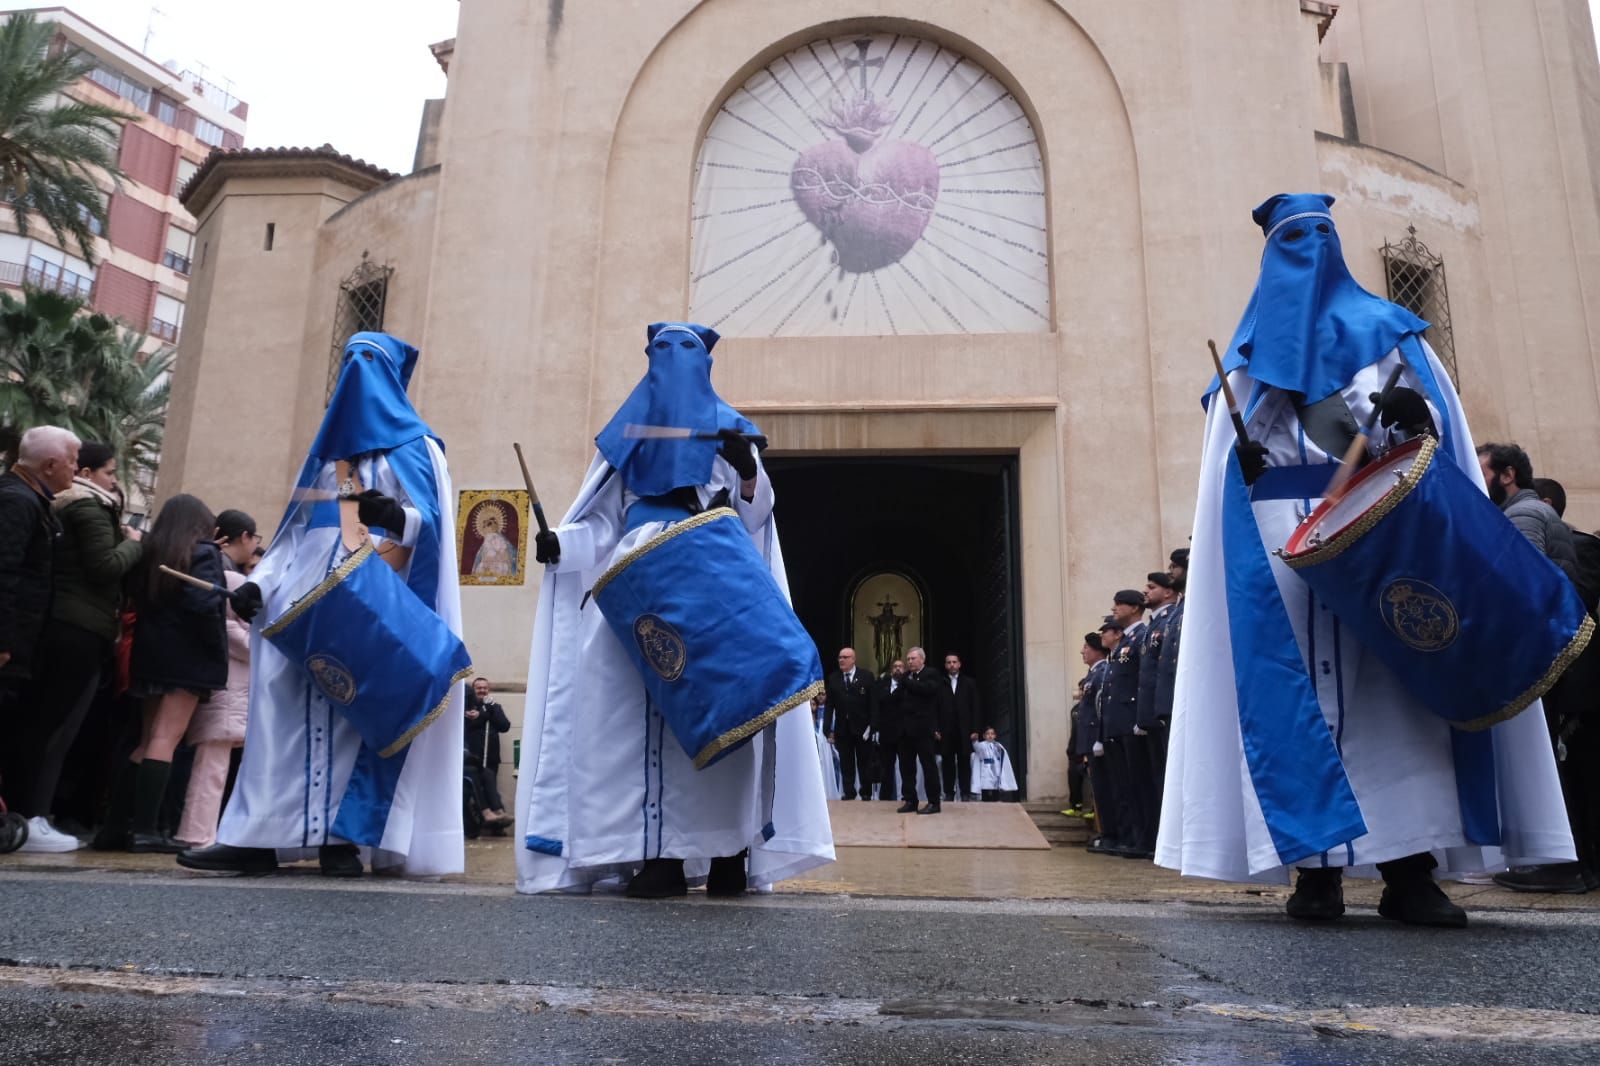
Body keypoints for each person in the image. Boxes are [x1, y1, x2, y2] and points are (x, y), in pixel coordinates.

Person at [1158, 193, 1573, 927]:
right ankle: (1315, 873)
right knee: (1302, 710)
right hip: (1288, 550)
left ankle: (1410, 871)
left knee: (1399, 703)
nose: (1307, 254)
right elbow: (1225, 466)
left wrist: (1420, 422)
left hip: (1387, 533)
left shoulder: (1395, 339)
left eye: (1319, 238)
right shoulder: (1250, 361)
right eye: (1292, 242)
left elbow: (1436, 435)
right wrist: (1249, 466)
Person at [514, 322, 832, 898]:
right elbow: (601, 523)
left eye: (688, 352)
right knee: (630, 725)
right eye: (664, 351)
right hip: (634, 585)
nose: (675, 362)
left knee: (727, 711)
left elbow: (757, 518)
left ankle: (730, 853)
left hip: (713, 576)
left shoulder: (732, 434)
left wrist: (748, 472)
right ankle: (655, 856)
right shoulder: (627, 439)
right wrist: (562, 543)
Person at [180, 332, 467, 879]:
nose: (356, 372)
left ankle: (345, 840)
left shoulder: (418, 448)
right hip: (299, 604)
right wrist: (257, 585)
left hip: (370, 595)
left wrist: (394, 514)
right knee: (276, 714)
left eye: (370, 362)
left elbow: (432, 531)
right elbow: (290, 535)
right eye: (349, 360)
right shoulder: (323, 460)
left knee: (353, 719)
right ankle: (256, 837)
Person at [99, 494, 238, 853]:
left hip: (151, 655)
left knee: (146, 740)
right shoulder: (203, 553)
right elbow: (204, 607)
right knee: (165, 738)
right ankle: (145, 829)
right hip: (189, 658)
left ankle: (115, 827)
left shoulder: (151, 553)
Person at [0, 427, 84, 852]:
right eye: (72, 460)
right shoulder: (16, 502)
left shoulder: (30, 500)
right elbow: (4, 573)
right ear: (49, 465)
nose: (76, 468)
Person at [174, 555, 253, 848]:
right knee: (210, 775)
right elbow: (253, 649)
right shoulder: (231, 629)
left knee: (214, 774)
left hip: (228, 711)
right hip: (224, 711)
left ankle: (206, 831)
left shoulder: (229, 626)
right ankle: (197, 833)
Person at [1477, 443, 1578, 581]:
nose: (1473, 482)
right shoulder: (1525, 511)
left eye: (1479, 475)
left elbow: (1523, 578)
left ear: (1507, 475)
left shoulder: (1524, 514)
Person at [1100, 591, 1151, 858]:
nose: (1114, 608)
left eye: (1118, 604)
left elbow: (1142, 680)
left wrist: (1139, 717)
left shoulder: (1141, 636)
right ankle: (1133, 836)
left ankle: (1144, 839)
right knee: (1125, 785)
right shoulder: (1125, 643)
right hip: (1118, 724)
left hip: (1131, 720)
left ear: (1133, 608)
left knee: (1138, 785)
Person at [1136, 572, 1179, 815]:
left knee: (1165, 777)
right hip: (1152, 711)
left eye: (1151, 587)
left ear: (1168, 592)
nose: (1146, 590)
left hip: (1163, 709)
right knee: (1154, 779)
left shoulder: (1169, 620)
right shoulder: (1153, 625)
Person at [895, 647, 943, 815]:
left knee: (928, 766)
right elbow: (897, 698)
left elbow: (926, 690)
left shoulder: (931, 674)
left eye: (913, 658)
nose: (909, 662)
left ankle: (934, 802)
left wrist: (905, 680)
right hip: (905, 730)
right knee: (906, 767)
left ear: (922, 659)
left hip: (923, 729)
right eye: (907, 659)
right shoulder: (907, 678)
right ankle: (910, 800)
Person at [824, 647, 875, 800]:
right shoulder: (834, 678)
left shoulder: (866, 676)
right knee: (846, 762)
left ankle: (866, 791)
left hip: (862, 728)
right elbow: (829, 705)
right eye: (840, 657)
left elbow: (873, 703)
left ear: (853, 659)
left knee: (864, 761)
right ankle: (849, 792)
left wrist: (873, 725)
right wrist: (827, 728)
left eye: (845, 657)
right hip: (842, 728)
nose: (841, 660)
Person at [465, 678, 512, 826]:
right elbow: (472, 724)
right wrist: (483, 713)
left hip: (490, 756)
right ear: (473, 690)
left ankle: (497, 824)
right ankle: (476, 823)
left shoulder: (494, 707)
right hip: (473, 756)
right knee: (474, 789)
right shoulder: (469, 707)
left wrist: (491, 709)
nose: (482, 691)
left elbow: (504, 726)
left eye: (485, 688)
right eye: (478, 688)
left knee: (491, 787)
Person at [939, 652, 982, 801]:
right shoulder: (940, 682)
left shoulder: (969, 683)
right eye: (949, 662)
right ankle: (949, 793)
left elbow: (975, 707)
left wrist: (975, 729)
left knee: (964, 762)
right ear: (945, 665)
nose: (952, 665)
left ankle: (965, 793)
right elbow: (935, 707)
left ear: (959, 664)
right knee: (947, 762)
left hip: (964, 730)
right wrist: (936, 728)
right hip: (946, 730)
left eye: (954, 662)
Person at [870, 658, 906, 800]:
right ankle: (885, 796)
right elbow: (876, 706)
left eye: (900, 667)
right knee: (886, 766)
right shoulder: (882, 684)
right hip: (886, 732)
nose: (898, 669)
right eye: (895, 666)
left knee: (905, 766)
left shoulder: (908, 684)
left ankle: (906, 795)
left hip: (903, 732)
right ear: (891, 670)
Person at [969, 727, 1018, 801]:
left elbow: (1002, 756)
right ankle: (985, 800)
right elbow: (977, 748)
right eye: (988, 734)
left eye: (992, 734)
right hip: (985, 769)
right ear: (984, 736)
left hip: (995, 770)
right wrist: (975, 741)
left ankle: (996, 800)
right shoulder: (982, 745)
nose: (990, 735)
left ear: (995, 735)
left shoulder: (998, 745)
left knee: (995, 787)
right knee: (985, 786)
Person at [812, 695, 843, 800]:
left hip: (829, 741)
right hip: (819, 741)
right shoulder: (814, 710)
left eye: (823, 694)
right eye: (819, 694)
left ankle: (836, 789)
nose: (821, 697)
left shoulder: (830, 709)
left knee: (835, 765)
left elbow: (833, 722)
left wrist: (832, 734)